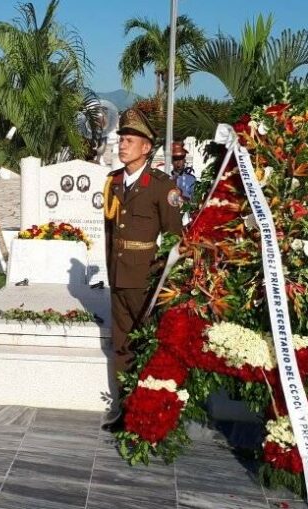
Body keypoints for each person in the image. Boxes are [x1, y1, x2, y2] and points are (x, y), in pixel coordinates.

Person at [100, 108, 184, 432]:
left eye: (129, 140)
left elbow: (176, 240)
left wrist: (161, 280)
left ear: (146, 147)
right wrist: (111, 270)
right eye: (121, 139)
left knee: (146, 346)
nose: (122, 145)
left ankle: (148, 412)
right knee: (122, 345)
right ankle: (124, 409)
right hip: (119, 276)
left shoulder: (162, 186)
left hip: (146, 280)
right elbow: (110, 232)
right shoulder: (114, 182)